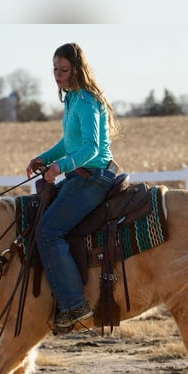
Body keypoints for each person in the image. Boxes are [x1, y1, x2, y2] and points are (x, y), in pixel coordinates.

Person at [26, 42, 121, 333]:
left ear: (77, 69)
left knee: (48, 231)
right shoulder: (71, 100)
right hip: (81, 175)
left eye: (64, 70)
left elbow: (92, 147)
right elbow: (70, 143)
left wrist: (61, 167)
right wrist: (45, 157)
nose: (58, 75)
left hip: (93, 177)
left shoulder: (87, 101)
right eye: (55, 69)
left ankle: (74, 304)